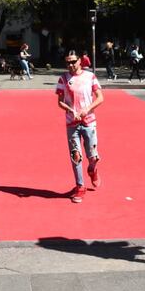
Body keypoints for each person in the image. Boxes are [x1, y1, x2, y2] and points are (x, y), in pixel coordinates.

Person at [56, 50, 105, 203]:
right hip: (72, 123)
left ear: (80, 61)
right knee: (76, 156)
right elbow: (60, 101)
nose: (70, 65)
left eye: (73, 61)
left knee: (93, 156)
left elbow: (100, 98)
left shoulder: (90, 76)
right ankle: (80, 186)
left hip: (89, 121)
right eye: (68, 62)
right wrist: (71, 110)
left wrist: (86, 109)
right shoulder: (64, 78)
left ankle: (92, 169)